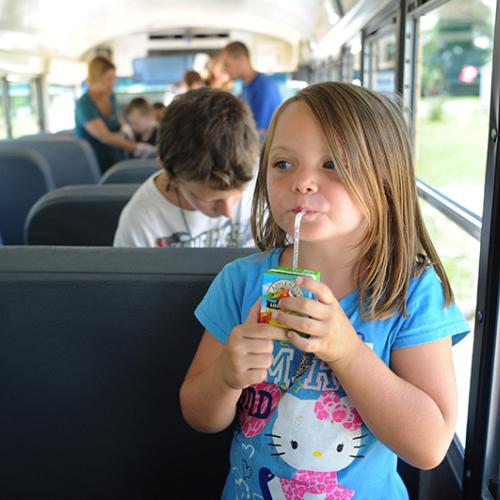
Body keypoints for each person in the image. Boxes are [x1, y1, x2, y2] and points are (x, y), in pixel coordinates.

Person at [179, 82, 470, 498]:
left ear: (383, 179)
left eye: (331, 163)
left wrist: (348, 352)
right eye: (283, 164)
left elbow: (429, 447)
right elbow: (198, 414)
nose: (302, 183)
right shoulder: (240, 282)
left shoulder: (411, 294)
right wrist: (227, 375)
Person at [113, 87, 259, 248]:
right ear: (170, 172)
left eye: (239, 192)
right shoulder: (140, 223)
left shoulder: (264, 182)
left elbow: (288, 268)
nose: (228, 212)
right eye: (211, 200)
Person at [75, 56, 154, 173]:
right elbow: (104, 136)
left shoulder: (110, 96)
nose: (113, 83)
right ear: (95, 79)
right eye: (108, 79)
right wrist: (136, 147)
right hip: (95, 164)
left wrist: (126, 129)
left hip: (117, 160)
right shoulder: (84, 104)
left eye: (114, 78)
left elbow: (118, 122)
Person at [220, 41, 282, 131]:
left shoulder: (264, 87)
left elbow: (260, 132)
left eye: (227, 65)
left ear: (242, 60)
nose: (224, 70)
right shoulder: (245, 87)